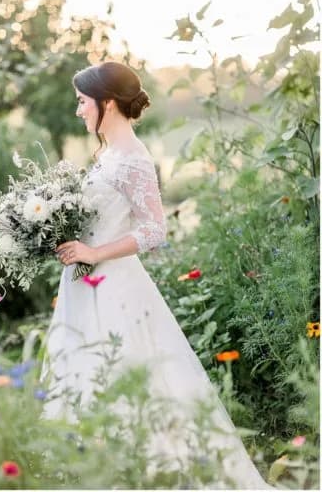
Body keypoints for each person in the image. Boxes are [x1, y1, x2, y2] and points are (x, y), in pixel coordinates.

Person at [42, 62, 270, 488]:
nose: (78, 111)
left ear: (106, 103)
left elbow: (153, 230)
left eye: (82, 102)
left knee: (127, 379)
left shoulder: (133, 159)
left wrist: (94, 251)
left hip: (115, 288)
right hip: (84, 284)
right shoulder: (107, 154)